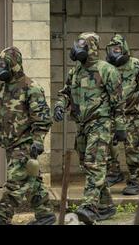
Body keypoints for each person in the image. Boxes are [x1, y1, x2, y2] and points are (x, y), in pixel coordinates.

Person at [54, 32, 126, 225]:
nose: (78, 49)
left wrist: (120, 127)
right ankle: (107, 205)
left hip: (100, 123)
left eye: (82, 46)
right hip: (82, 125)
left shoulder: (107, 70)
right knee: (88, 164)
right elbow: (65, 93)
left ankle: (89, 207)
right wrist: (60, 105)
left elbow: (118, 103)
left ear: (92, 48)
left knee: (95, 164)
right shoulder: (75, 71)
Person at [0, 47, 55, 225]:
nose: (0, 68)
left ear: (14, 65)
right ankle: (46, 215)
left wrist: (37, 141)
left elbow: (42, 118)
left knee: (15, 182)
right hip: (10, 143)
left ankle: (1, 216)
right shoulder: (2, 88)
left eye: (4, 64)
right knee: (32, 180)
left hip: (25, 143)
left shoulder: (31, 87)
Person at [105, 34, 139, 195]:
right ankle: (114, 173)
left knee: (133, 150)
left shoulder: (136, 65)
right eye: (112, 49)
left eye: (118, 48)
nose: (115, 52)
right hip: (112, 115)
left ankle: (136, 181)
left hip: (132, 115)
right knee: (107, 147)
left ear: (124, 49)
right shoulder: (106, 67)